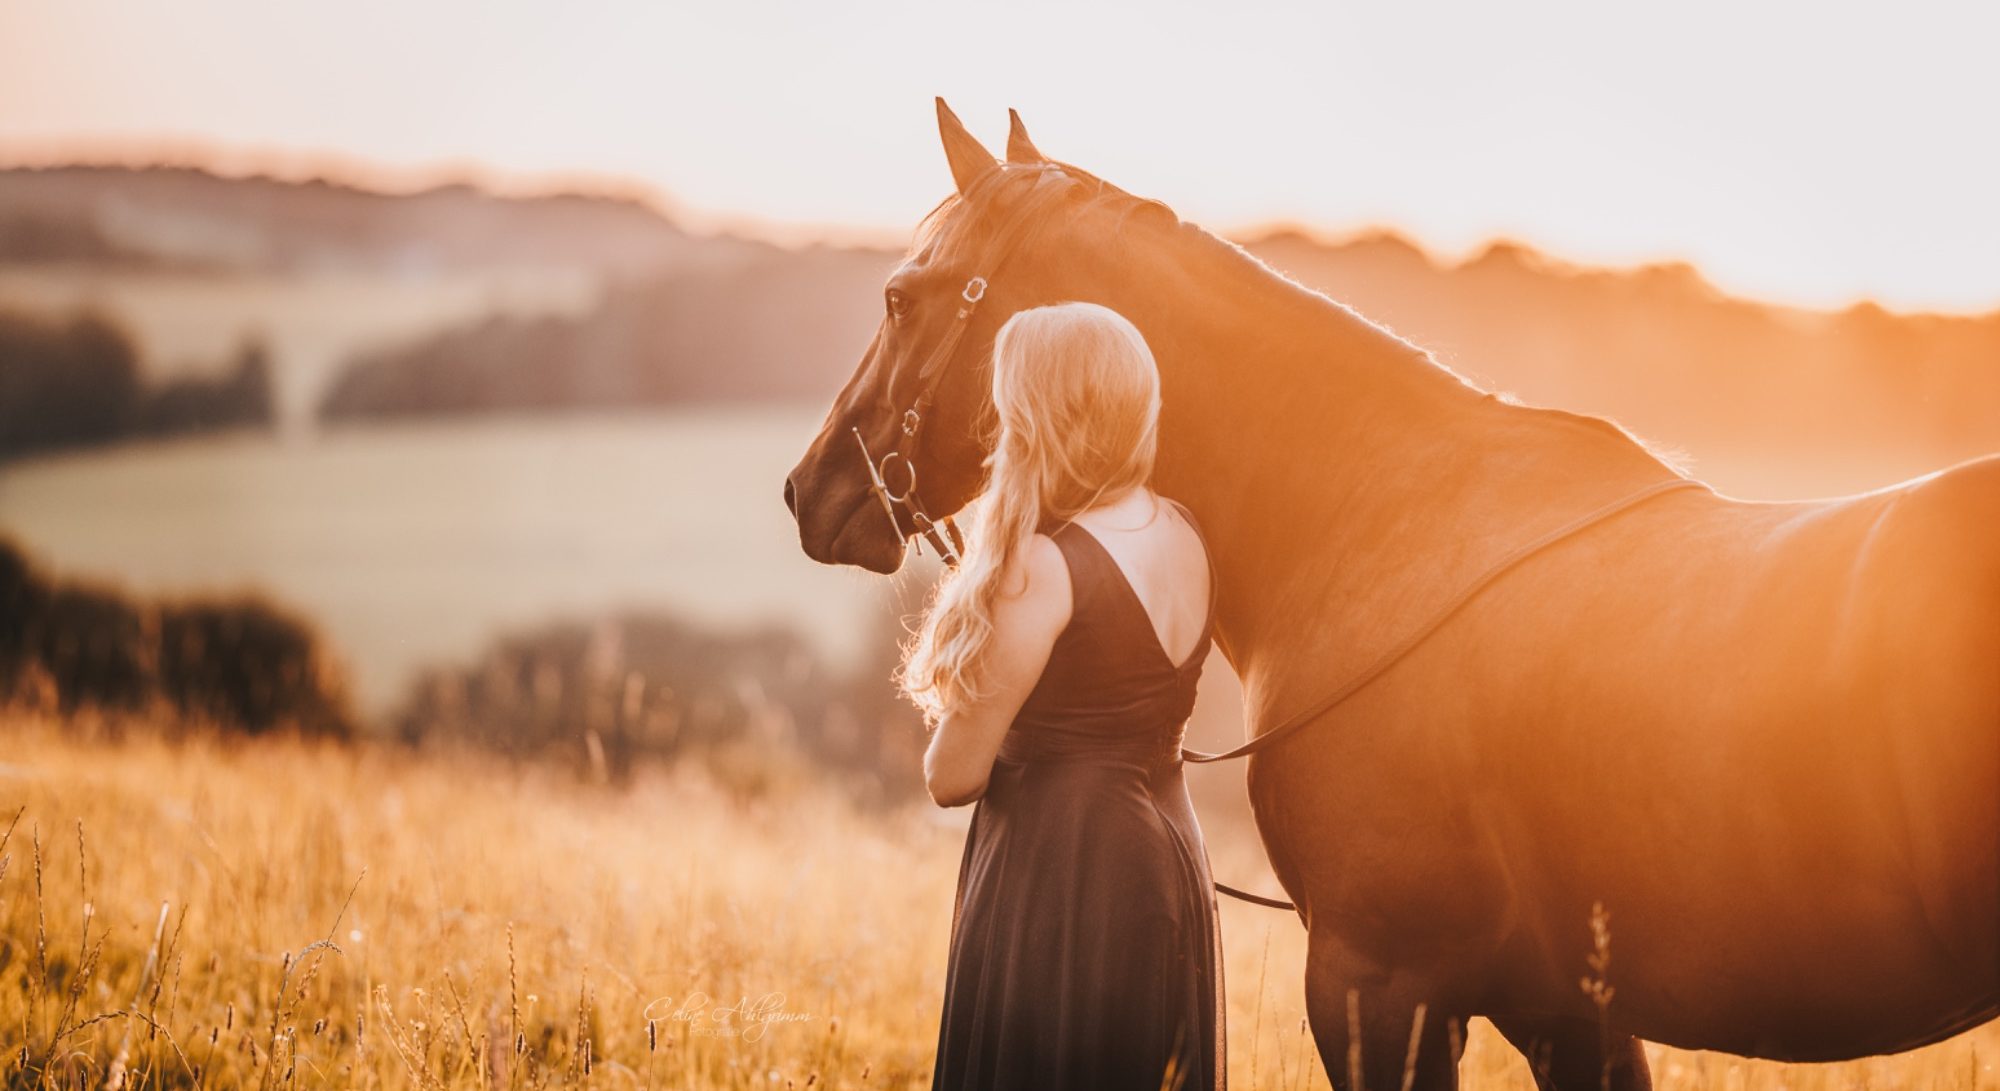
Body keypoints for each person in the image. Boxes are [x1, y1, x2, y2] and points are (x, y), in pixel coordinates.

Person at [895, 300, 1226, 1091]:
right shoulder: (1184, 530)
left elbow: (953, 776)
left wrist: (978, 624)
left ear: (1035, 417)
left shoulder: (1043, 566)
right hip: (1172, 854)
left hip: (1065, 878)